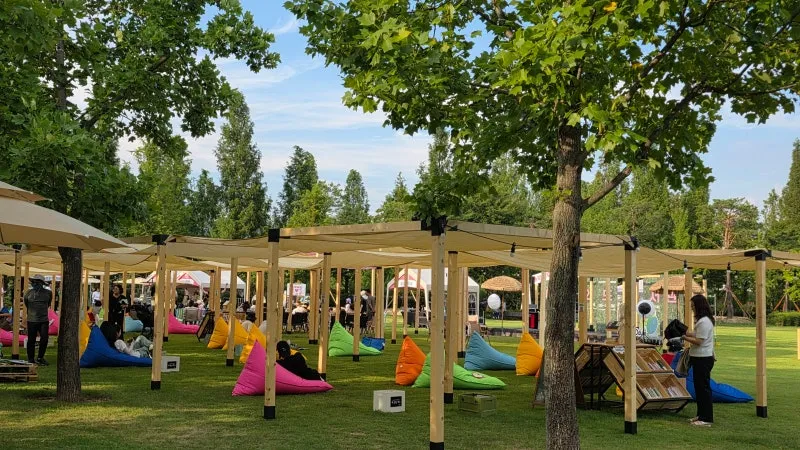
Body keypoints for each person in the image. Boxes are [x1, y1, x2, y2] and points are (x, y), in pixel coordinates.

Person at [682, 294, 716, 427]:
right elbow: (697, 334)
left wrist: (684, 338)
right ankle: (701, 415)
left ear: (699, 306)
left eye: (693, 306)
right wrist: (685, 331)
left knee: (703, 389)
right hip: (700, 358)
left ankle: (706, 418)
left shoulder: (704, 322)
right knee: (699, 388)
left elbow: (699, 341)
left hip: (703, 358)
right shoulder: (703, 321)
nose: (692, 308)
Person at [24, 274, 51, 365]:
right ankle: (30, 359)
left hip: (44, 320)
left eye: (37, 282)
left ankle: (40, 357)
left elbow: (48, 304)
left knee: (44, 339)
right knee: (31, 340)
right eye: (33, 282)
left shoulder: (48, 293)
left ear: (42, 283)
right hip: (31, 320)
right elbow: (26, 304)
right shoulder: (28, 293)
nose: (35, 283)